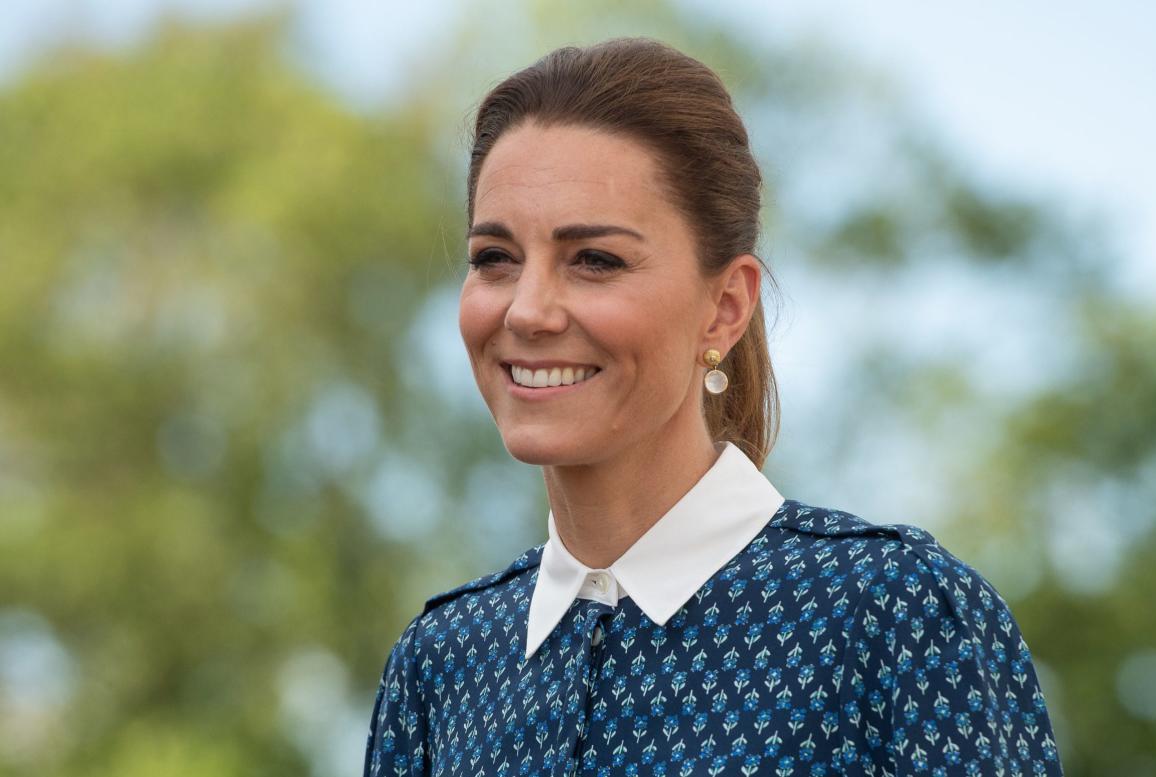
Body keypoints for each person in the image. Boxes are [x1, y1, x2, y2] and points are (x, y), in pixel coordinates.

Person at [363, 37, 1063, 777]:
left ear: (725, 307)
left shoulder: (896, 615)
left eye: (594, 259)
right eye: (494, 259)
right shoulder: (440, 664)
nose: (529, 311)